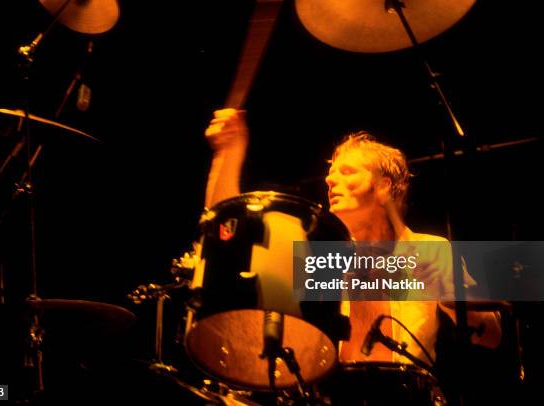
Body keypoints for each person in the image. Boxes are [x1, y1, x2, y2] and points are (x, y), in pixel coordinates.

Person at [203, 107, 502, 366]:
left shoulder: (430, 250)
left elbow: (493, 336)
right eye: (332, 174)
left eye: (346, 172)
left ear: (384, 186)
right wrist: (228, 154)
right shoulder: (319, 257)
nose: (331, 180)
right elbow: (229, 231)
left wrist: (458, 303)